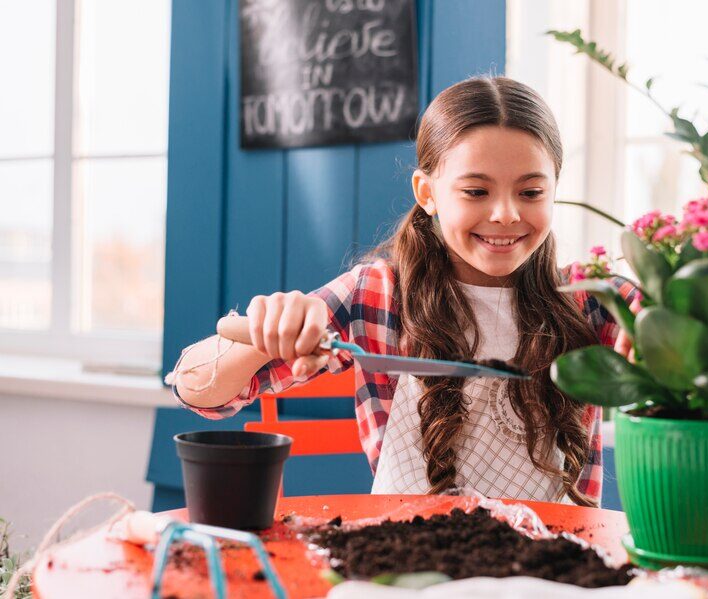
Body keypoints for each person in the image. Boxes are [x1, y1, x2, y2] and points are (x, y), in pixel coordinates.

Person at [167, 76, 636, 506]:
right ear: (427, 193)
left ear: (554, 190)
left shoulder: (592, 301)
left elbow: (685, 350)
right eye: (476, 191)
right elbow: (195, 390)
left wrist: (664, 320)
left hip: (556, 574)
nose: (506, 214)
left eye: (531, 193)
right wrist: (269, 330)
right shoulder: (378, 295)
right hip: (410, 565)